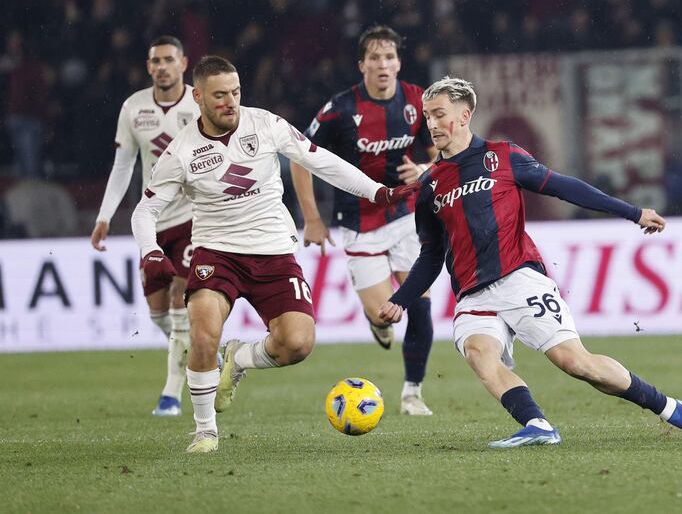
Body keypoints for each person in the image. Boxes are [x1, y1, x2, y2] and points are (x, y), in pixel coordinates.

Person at [379, 77, 682, 447]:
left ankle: (669, 407)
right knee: (480, 354)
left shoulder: (503, 156)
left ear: (464, 115)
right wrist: (401, 300)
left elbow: (565, 186)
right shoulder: (429, 186)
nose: (431, 124)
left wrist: (633, 212)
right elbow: (431, 254)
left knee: (576, 363)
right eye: (427, 116)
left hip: (520, 279)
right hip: (473, 296)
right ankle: (538, 425)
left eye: (439, 114)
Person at [131, 55, 417, 453]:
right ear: (197, 97)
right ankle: (205, 431)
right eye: (219, 96)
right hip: (217, 253)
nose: (230, 101)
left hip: (274, 252)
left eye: (235, 92)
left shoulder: (266, 124)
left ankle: (239, 358)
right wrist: (150, 251)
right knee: (201, 333)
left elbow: (322, 161)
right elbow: (145, 209)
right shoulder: (181, 152)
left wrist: (377, 191)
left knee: (297, 344)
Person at [290, 25, 438, 415]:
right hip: (359, 225)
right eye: (375, 58)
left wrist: (425, 166)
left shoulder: (417, 100)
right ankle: (377, 323)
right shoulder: (339, 109)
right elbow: (299, 156)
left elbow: (449, 144)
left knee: (419, 305)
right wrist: (312, 219)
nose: (383, 64)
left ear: (399, 62)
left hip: (407, 217)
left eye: (390, 57)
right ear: (362, 65)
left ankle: (412, 393)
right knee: (384, 313)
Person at [91, 36, 198, 417]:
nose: (163, 66)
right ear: (148, 66)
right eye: (156, 61)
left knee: (179, 304)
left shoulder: (200, 101)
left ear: (184, 63)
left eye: (170, 59)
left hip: (194, 218)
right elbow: (124, 166)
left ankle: (171, 394)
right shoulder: (134, 107)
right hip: (152, 220)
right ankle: (203, 349)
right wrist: (105, 215)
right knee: (157, 314)